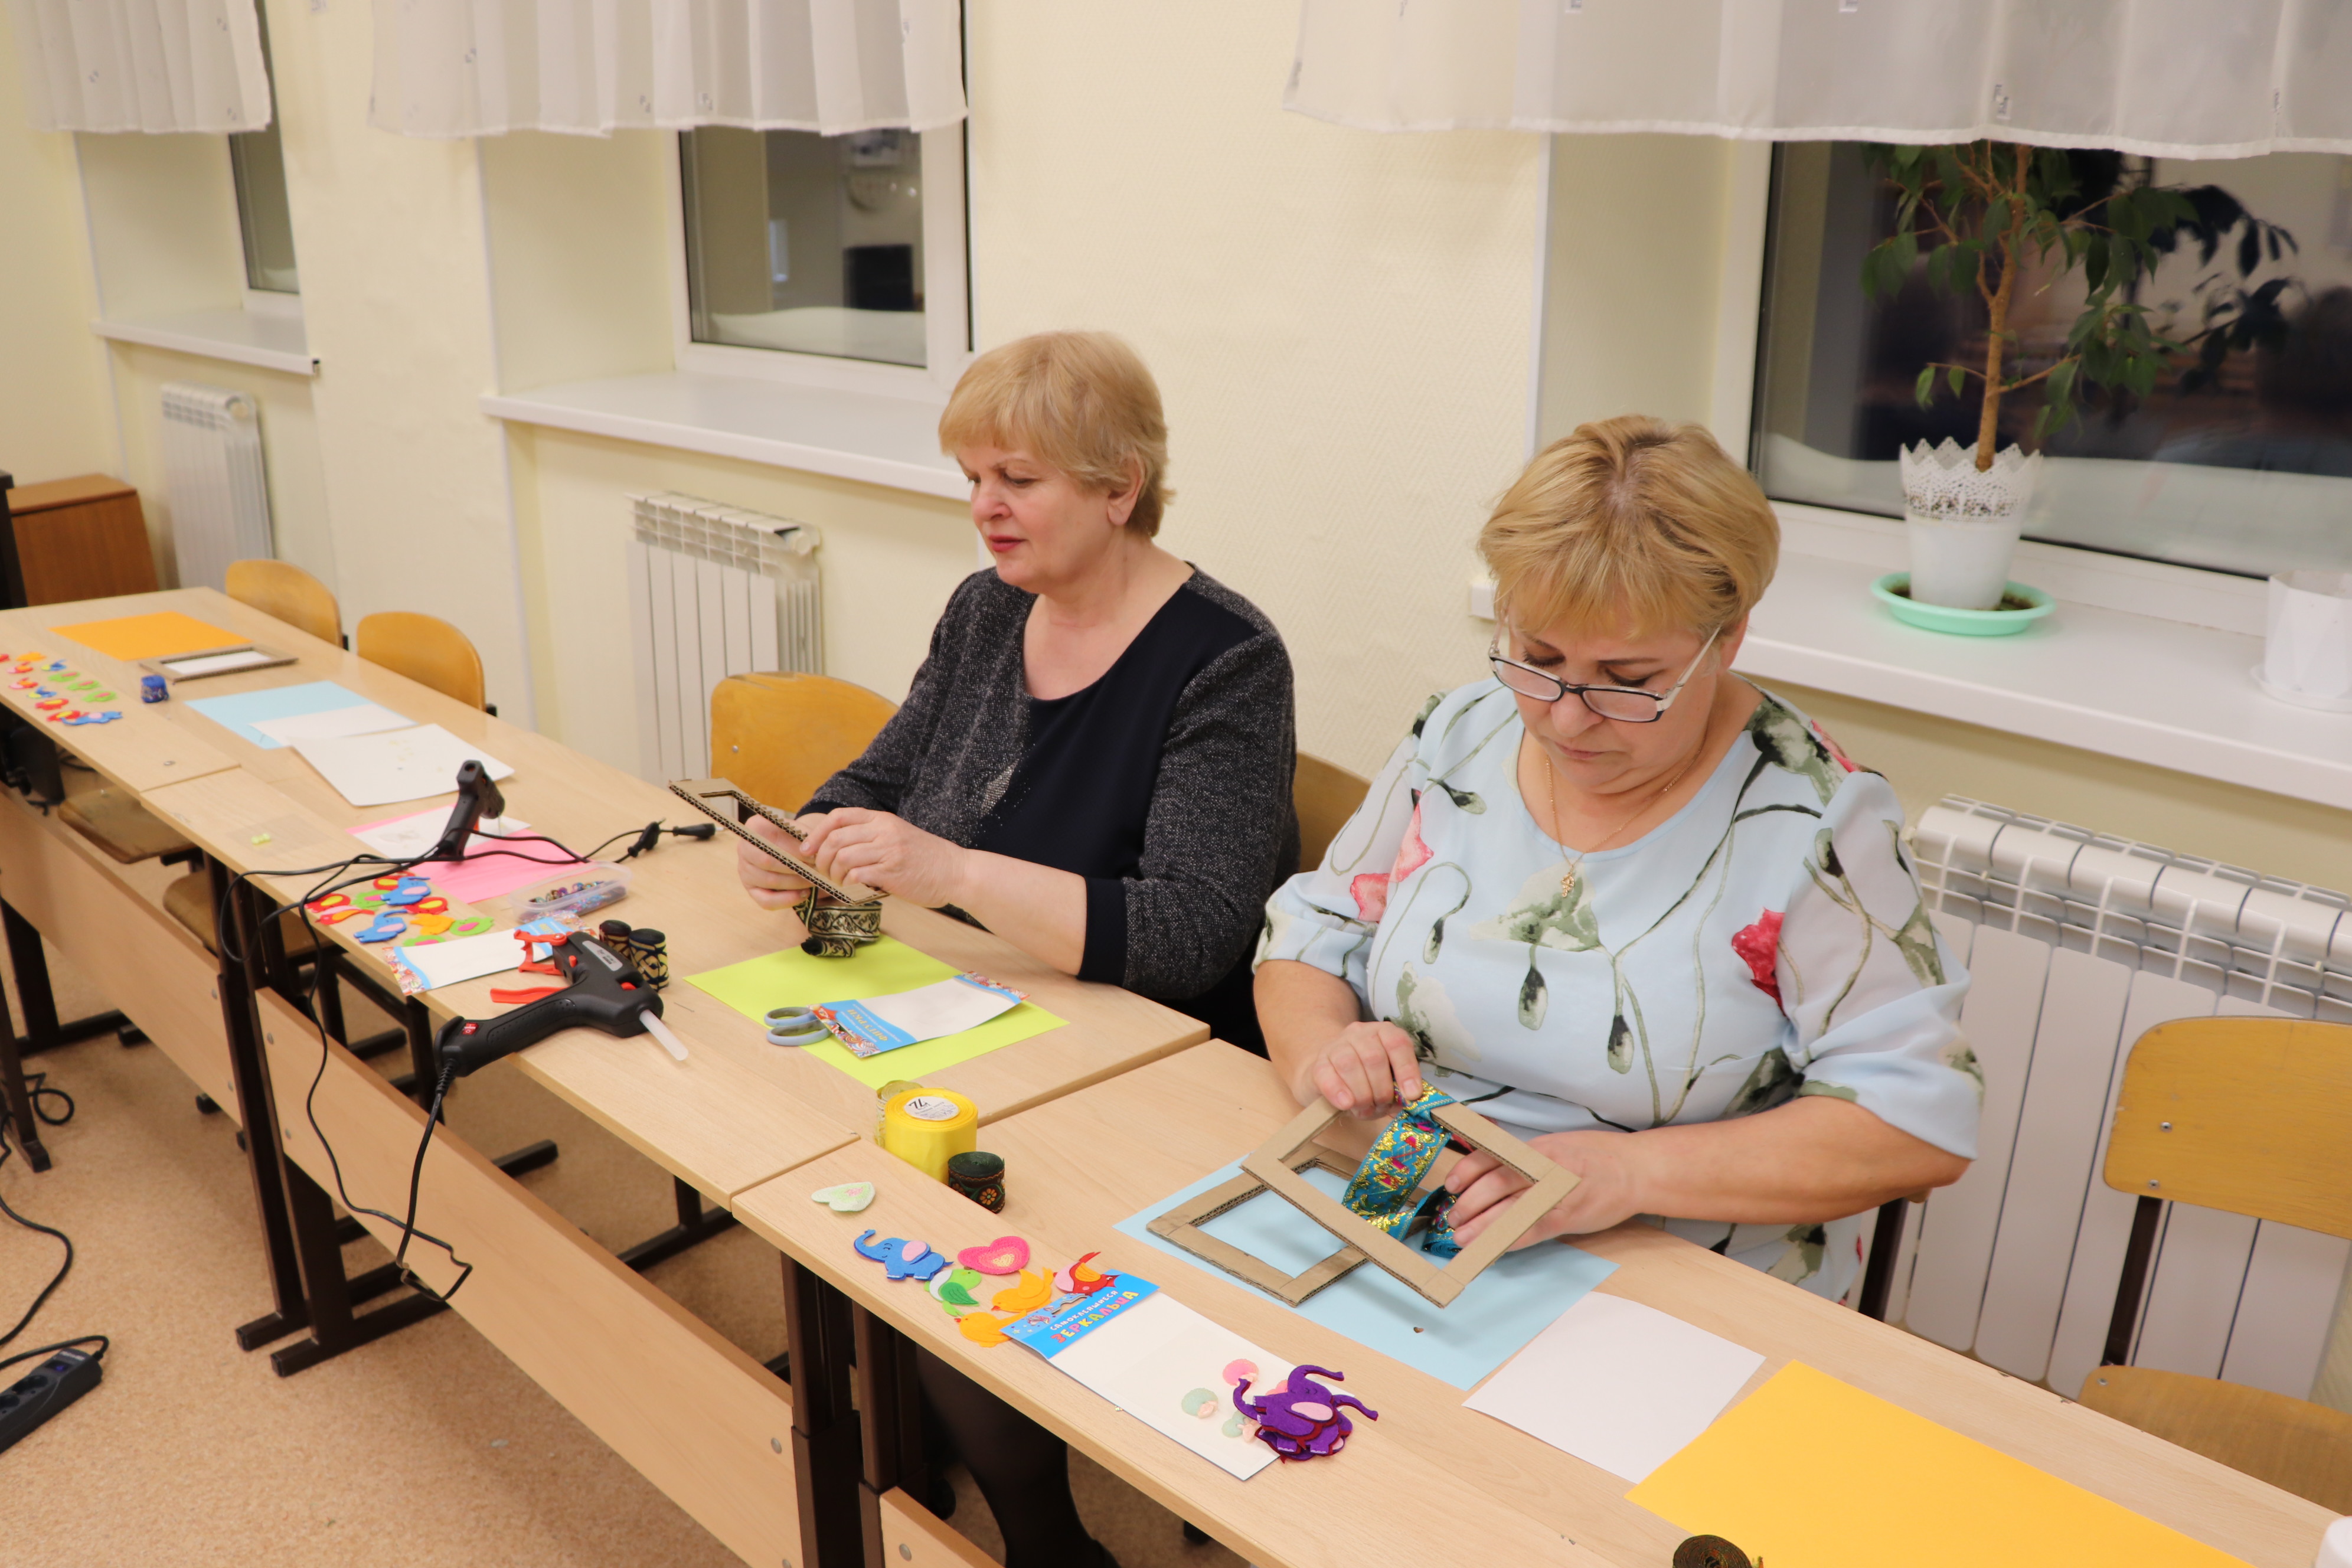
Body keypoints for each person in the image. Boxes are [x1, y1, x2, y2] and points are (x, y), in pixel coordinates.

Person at [736, 329, 1297, 1568]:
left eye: (1018, 479)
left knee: (947, 1231)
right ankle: (882, 1402)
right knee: (784, 1123)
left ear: (1119, 487)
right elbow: (887, 771)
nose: (985, 507)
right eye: (974, 478)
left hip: (1148, 1054)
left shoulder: (1227, 659)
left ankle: (1046, 1537)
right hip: (974, 1004)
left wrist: (953, 873)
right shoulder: (990, 607)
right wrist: (804, 831)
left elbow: (1193, 934)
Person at [1256, 414, 1978, 1299]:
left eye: (1628, 682)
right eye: (1538, 657)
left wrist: (1623, 1174)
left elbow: (1917, 1121)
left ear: (1728, 639)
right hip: (1409, 1200)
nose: (1566, 717)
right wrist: (1323, 1055)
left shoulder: (1815, 820)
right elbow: (1313, 931)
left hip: (1667, 1266)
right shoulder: (1462, 733)